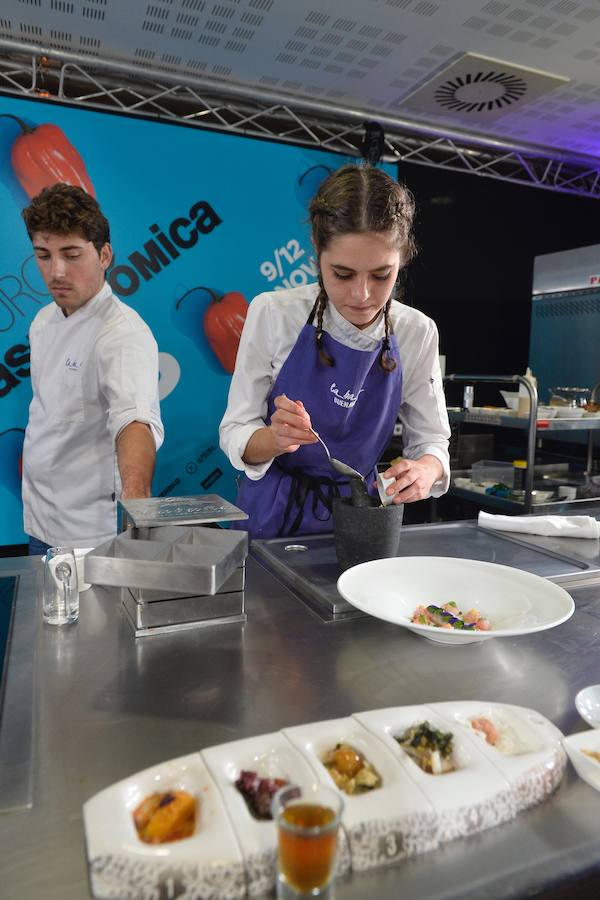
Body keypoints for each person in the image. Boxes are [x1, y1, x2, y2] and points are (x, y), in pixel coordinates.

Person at [219, 163, 450, 539]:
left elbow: (432, 441)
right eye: (342, 274)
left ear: (403, 257)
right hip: (270, 515)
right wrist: (274, 439)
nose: (362, 295)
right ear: (316, 251)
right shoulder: (274, 313)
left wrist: (426, 469)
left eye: (381, 275)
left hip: (362, 517)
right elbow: (235, 430)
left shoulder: (417, 332)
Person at [21, 183, 164, 554]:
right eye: (43, 255)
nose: (56, 272)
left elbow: (134, 421)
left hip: (90, 536)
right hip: (38, 519)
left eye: (71, 254)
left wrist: (137, 508)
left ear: (104, 255)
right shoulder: (41, 322)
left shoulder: (122, 334)